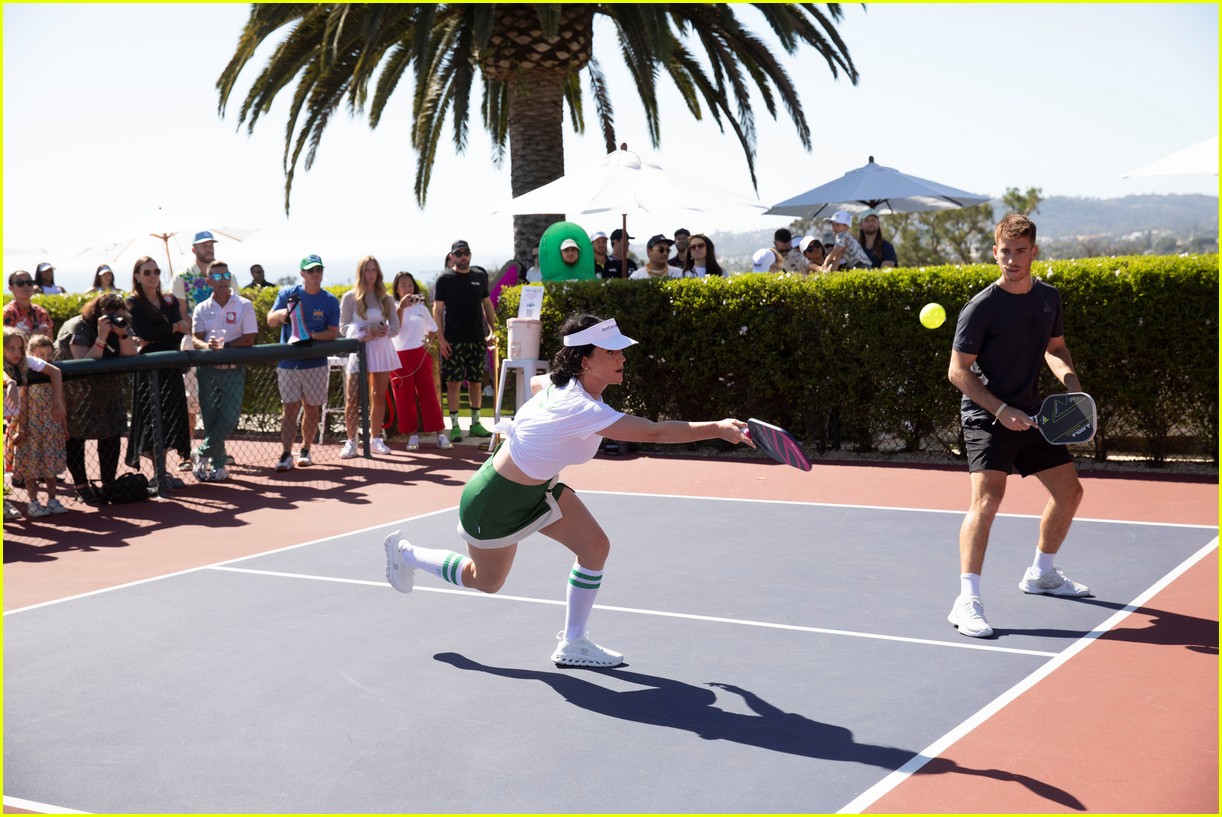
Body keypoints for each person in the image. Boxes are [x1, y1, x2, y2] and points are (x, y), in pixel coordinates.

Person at [383, 313, 755, 666]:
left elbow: (536, 383)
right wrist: (718, 428)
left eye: (620, 349)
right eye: (610, 351)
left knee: (595, 547)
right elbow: (654, 431)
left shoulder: (563, 384)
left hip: (538, 489)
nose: (622, 357)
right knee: (485, 581)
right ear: (584, 361)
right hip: (493, 501)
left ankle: (573, 642)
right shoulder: (579, 406)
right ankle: (406, 553)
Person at [946, 214, 1088, 640]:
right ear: (995, 252)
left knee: (1070, 493)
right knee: (988, 500)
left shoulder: (1048, 298)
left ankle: (1042, 573)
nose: (1011, 260)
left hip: (1031, 413)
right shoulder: (981, 307)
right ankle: (966, 599)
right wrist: (999, 408)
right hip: (985, 416)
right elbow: (957, 371)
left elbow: (1056, 348)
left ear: (1034, 252)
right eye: (1004, 252)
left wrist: (1072, 388)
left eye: (1020, 251)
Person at [56, 293, 139, 505]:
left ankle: (108, 483)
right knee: (75, 436)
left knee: (111, 432)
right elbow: (84, 362)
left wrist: (122, 334)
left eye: (118, 315)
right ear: (97, 314)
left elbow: (131, 355)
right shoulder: (79, 327)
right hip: (75, 389)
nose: (114, 319)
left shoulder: (121, 325)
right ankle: (81, 485)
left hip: (108, 388)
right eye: (109, 315)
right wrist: (102, 336)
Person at [267, 254, 341, 470]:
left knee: (311, 408)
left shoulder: (329, 300)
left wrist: (311, 335)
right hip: (288, 364)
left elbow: (333, 333)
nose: (316, 274)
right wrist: (282, 314)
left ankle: (306, 449)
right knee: (289, 409)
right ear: (302, 274)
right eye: (311, 270)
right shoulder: (287, 294)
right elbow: (270, 320)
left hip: (315, 364)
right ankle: (286, 454)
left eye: (319, 270)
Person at [125, 256, 192, 487]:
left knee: (170, 417)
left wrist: (166, 330)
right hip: (147, 369)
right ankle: (158, 472)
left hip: (170, 367)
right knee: (151, 419)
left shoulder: (170, 301)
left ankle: (163, 470)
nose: (153, 275)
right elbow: (143, 331)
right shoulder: (132, 304)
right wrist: (171, 327)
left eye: (156, 271)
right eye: (147, 272)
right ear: (137, 276)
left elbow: (179, 332)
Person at [190, 260, 258, 482]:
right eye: (217, 277)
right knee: (210, 419)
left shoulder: (244, 305)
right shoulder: (202, 308)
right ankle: (218, 465)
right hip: (207, 371)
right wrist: (206, 346)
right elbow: (195, 339)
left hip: (234, 370)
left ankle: (201, 452)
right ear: (209, 281)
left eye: (225, 276)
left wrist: (227, 347)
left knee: (229, 418)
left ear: (230, 278)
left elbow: (249, 338)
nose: (222, 280)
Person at [433, 239, 496, 442]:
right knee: (453, 383)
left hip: (476, 340)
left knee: (476, 382)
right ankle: (455, 426)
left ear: (470, 254)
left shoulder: (479, 276)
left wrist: (493, 330)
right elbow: (438, 309)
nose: (463, 257)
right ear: (451, 256)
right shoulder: (444, 279)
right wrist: (441, 339)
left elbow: (487, 305)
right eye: (458, 253)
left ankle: (476, 423)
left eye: (466, 253)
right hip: (453, 341)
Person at [338, 255, 399, 458]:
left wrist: (383, 331)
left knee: (378, 396)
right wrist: (365, 332)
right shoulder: (349, 297)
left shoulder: (386, 298)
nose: (371, 274)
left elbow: (395, 327)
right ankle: (351, 441)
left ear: (378, 273)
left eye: (374, 270)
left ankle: (375, 438)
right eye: (367, 270)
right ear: (361, 273)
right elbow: (343, 328)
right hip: (359, 351)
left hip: (380, 351)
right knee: (353, 398)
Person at [4, 329, 67, 517]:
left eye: (20, 348)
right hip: (18, 421)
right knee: (27, 462)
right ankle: (17, 504)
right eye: (10, 348)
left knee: (47, 461)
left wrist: (57, 401)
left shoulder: (27, 362)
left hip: (36, 422)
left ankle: (51, 500)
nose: (16, 352)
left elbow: (55, 371)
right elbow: (5, 376)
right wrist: (11, 384)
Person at [172, 230, 219, 470]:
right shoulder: (181, 277)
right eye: (204, 245)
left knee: (218, 401)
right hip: (192, 344)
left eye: (211, 244)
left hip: (220, 345)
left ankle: (217, 449)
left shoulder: (225, 275)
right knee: (190, 402)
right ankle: (186, 453)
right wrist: (199, 333)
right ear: (194, 249)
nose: (209, 248)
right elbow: (180, 313)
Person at [389, 271, 448, 451]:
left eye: (409, 284)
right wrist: (401, 308)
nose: (407, 288)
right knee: (404, 398)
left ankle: (440, 434)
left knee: (429, 394)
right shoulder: (392, 307)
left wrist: (429, 342)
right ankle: (412, 435)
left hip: (420, 355)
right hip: (399, 357)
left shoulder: (421, 308)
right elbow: (394, 330)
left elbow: (432, 328)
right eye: (403, 285)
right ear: (397, 290)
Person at [3, 271, 54, 337]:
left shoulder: (42, 313)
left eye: (29, 282)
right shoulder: (7, 313)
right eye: (20, 283)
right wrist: (32, 335)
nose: (26, 286)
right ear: (11, 288)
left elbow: (50, 342)